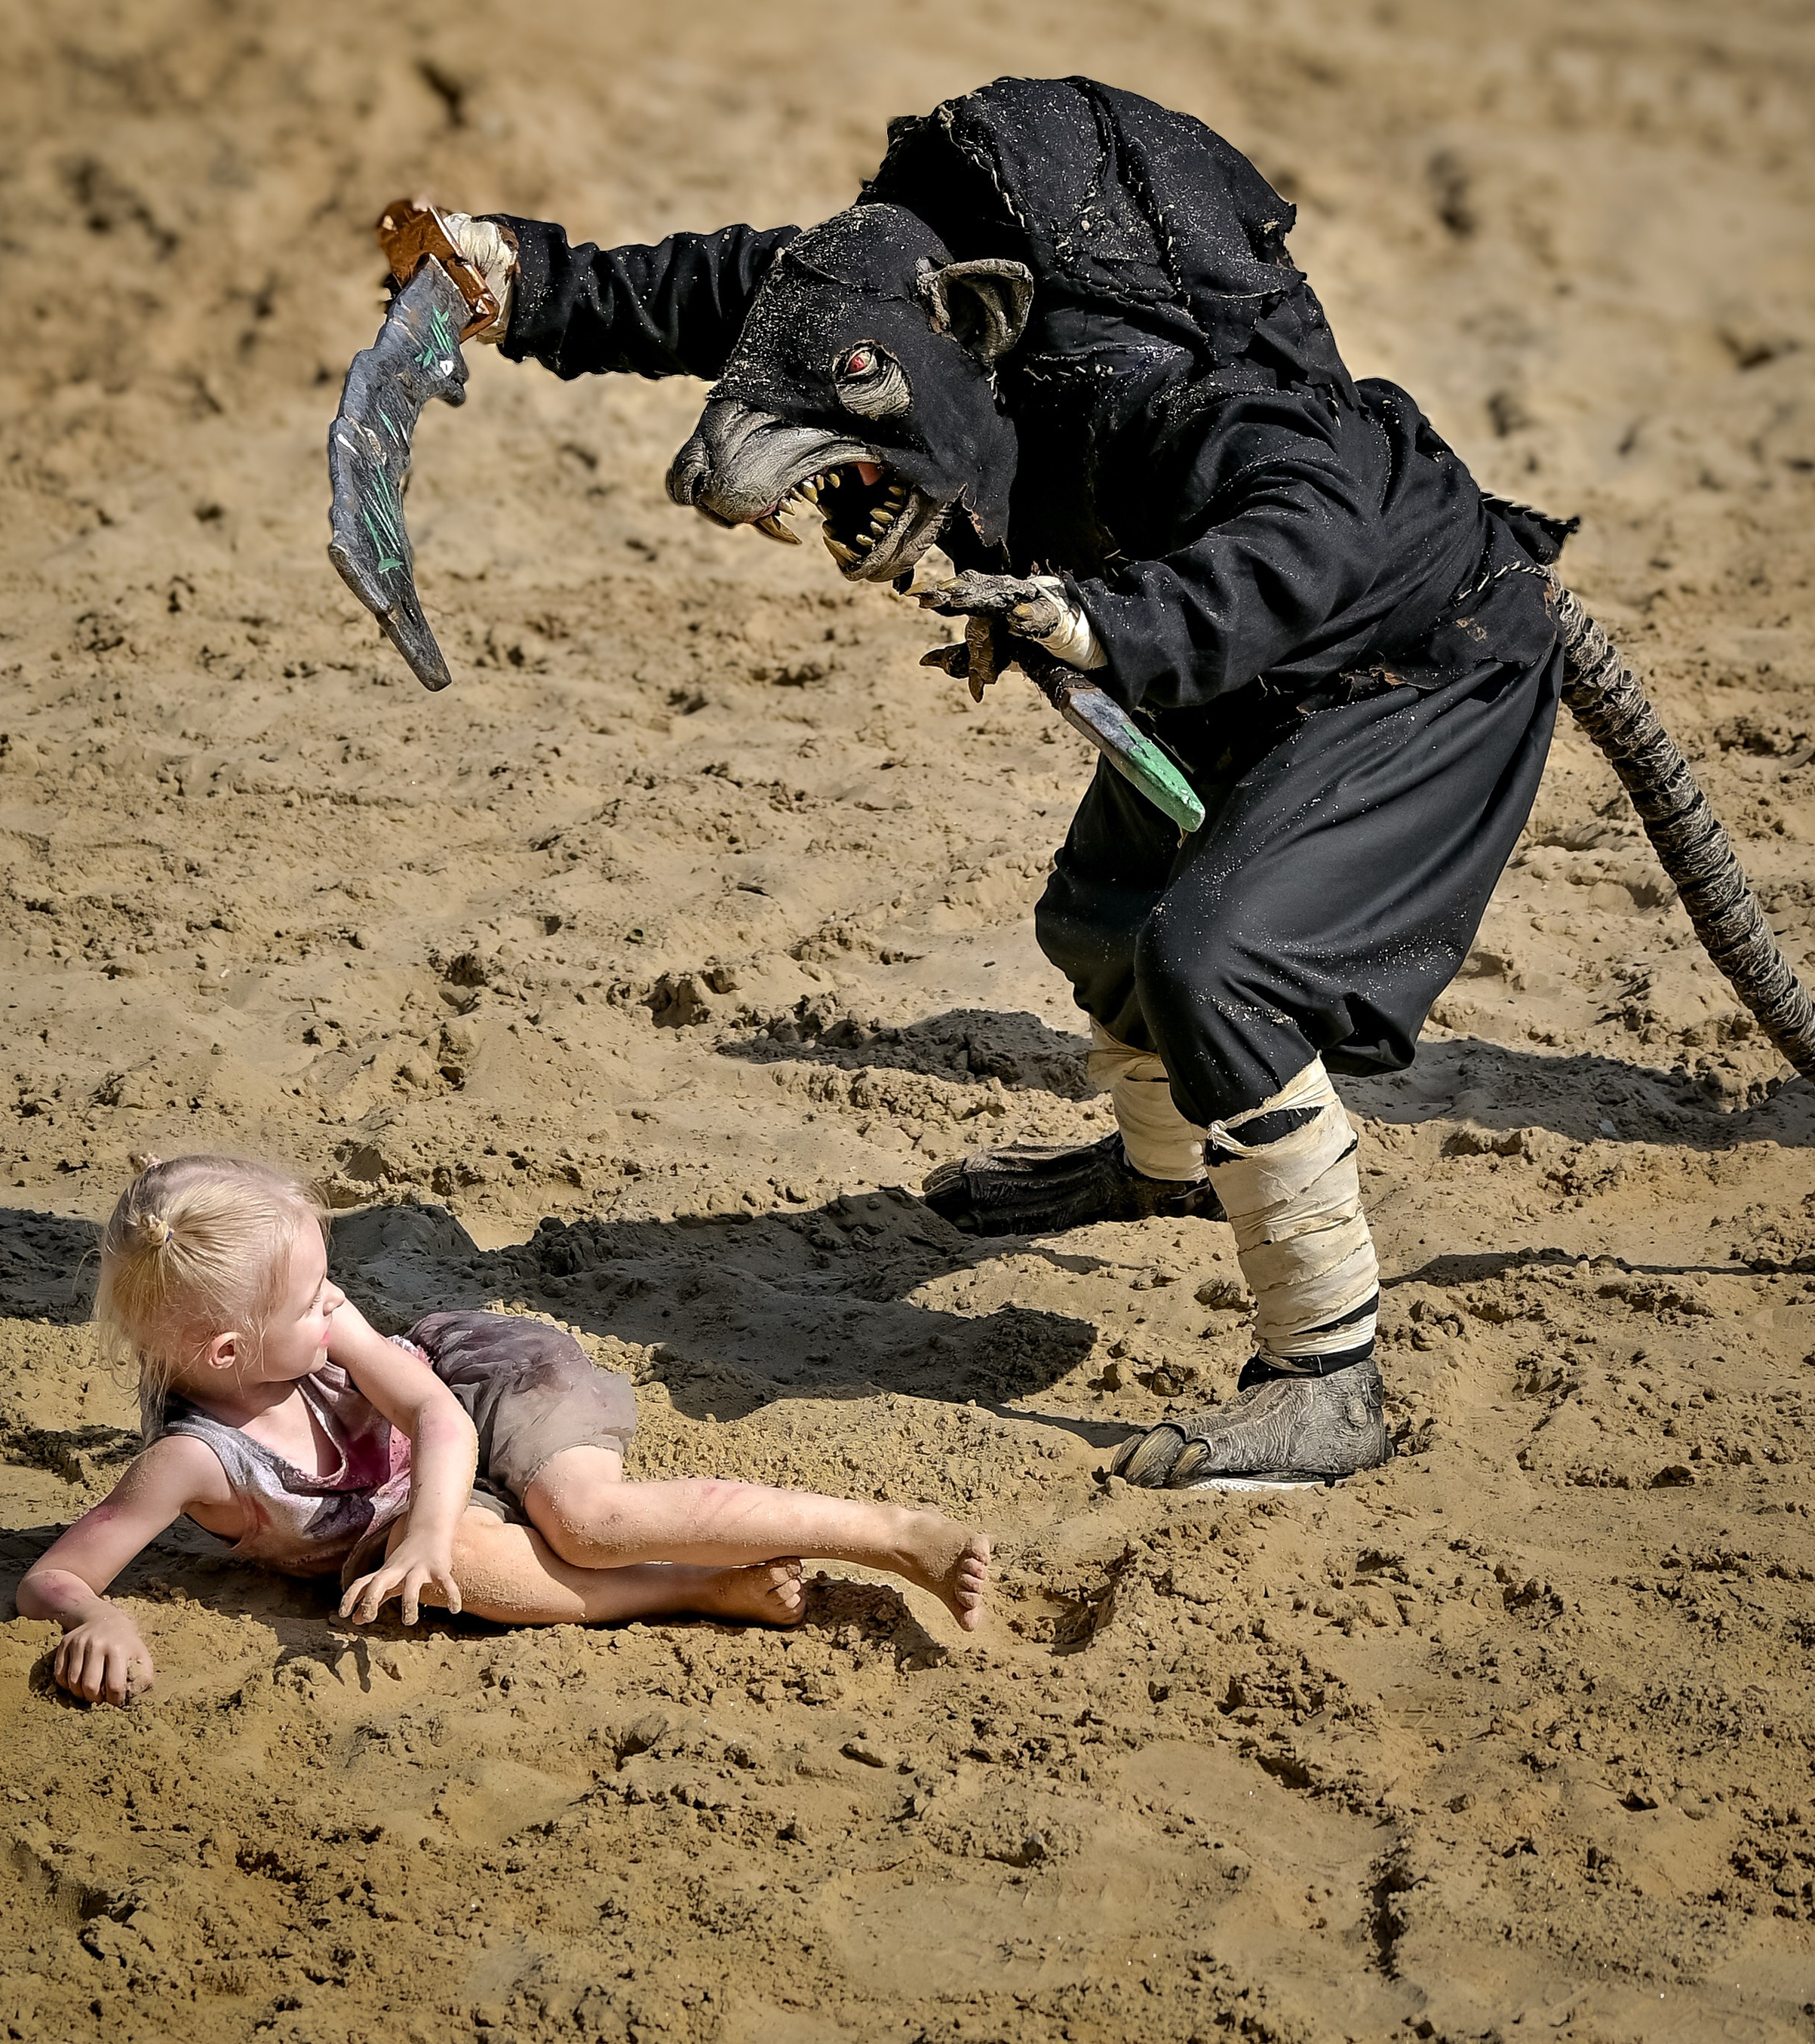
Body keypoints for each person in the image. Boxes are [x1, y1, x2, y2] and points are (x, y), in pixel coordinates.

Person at [364, 75, 1573, 1489]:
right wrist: (517, 281)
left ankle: (1328, 1376)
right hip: (1226, 657)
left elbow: (1306, 533)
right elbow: (735, 294)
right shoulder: (901, 284)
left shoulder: (1186, 392)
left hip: (1413, 659)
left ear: (975, 329)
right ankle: (1164, 1165)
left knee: (1215, 965)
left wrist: (1110, 627)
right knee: (1104, 916)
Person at [16, 1154, 991, 1704]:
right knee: (461, 1571)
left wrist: (432, 1525)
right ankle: (711, 1583)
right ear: (227, 1353)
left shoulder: (330, 1330)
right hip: (405, 1520)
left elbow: (433, 1410)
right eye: (312, 1299)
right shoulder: (193, 1460)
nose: (335, 1303)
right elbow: (56, 1574)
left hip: (485, 1387)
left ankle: (894, 1534)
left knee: (584, 1516)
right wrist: (96, 1612)